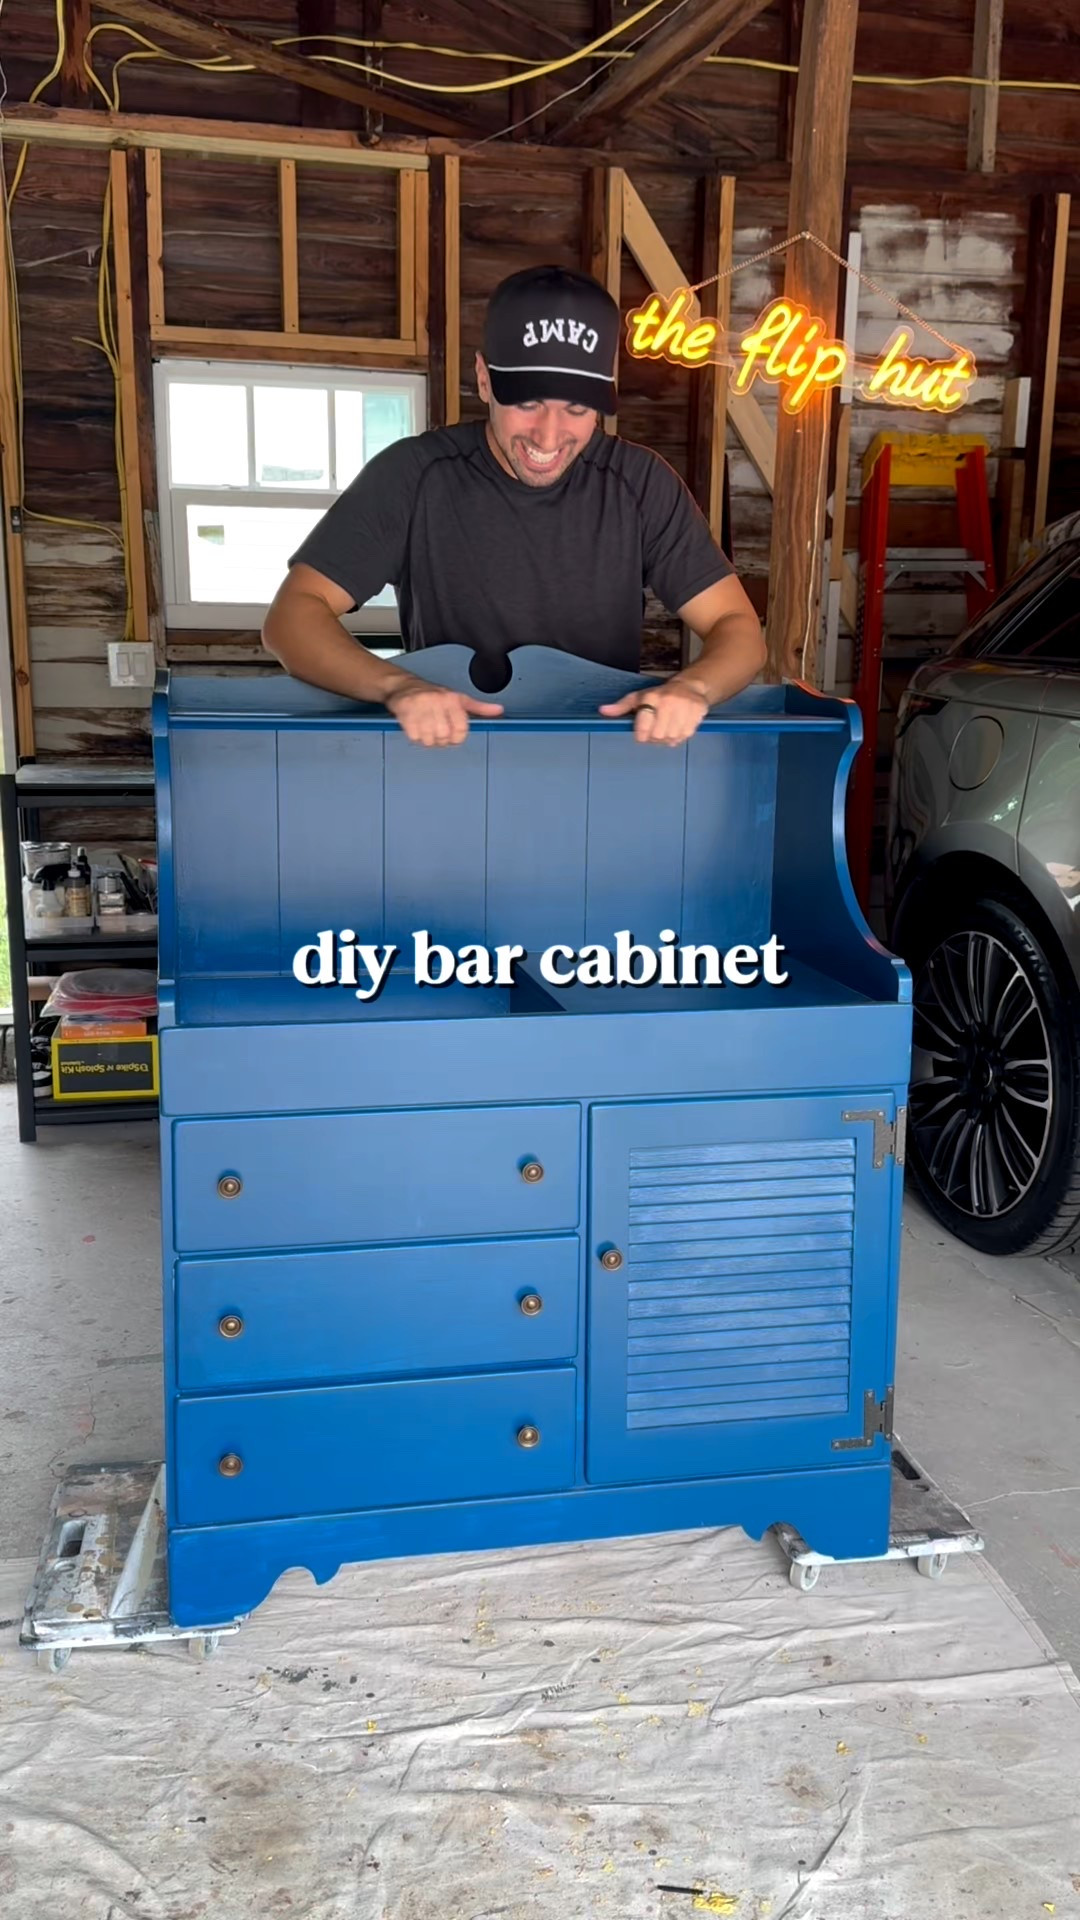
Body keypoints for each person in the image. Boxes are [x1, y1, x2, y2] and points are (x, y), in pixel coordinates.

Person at [262, 264, 765, 748]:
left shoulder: (641, 484)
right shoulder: (411, 475)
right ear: (484, 380)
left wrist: (694, 689)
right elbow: (292, 617)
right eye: (527, 403)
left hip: (596, 764)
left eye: (576, 409)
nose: (549, 436)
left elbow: (736, 627)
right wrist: (396, 686)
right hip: (449, 758)